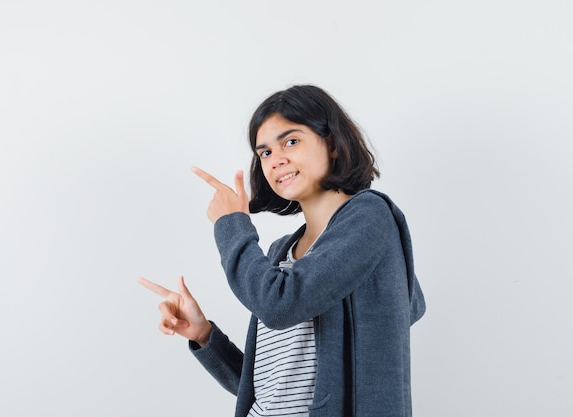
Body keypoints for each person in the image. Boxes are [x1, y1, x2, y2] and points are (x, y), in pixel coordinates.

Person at [139, 84, 426, 417]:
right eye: (265, 153)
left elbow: (280, 306)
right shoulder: (280, 252)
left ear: (332, 144)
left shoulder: (369, 216)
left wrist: (231, 225)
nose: (276, 160)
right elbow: (267, 386)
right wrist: (204, 334)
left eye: (291, 141)